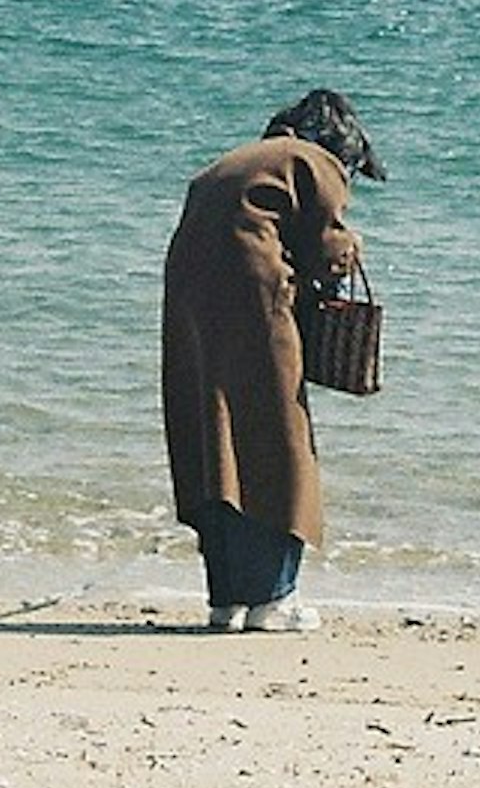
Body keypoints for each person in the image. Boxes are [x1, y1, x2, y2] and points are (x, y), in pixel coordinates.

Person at [160, 88, 384, 633]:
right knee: (280, 440)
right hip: (253, 294)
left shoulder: (236, 162)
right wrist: (352, 247)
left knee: (215, 439)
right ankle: (273, 600)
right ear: (341, 146)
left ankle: (227, 600)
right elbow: (329, 250)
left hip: (189, 300)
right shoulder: (314, 162)